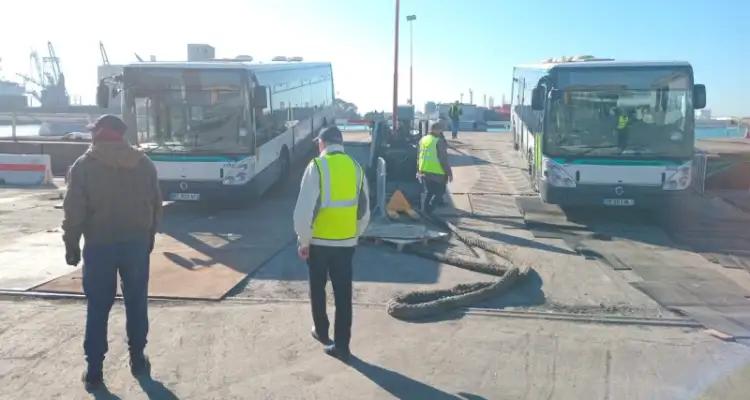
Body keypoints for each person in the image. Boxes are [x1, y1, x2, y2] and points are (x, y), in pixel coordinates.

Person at [62, 114, 162, 391]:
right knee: (136, 303)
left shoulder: (84, 166)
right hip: (136, 244)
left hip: (99, 246)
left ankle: (94, 371)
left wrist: (71, 244)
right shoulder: (143, 164)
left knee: (98, 308)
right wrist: (149, 238)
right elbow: (156, 204)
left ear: (98, 134)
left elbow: (74, 212)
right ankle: (138, 361)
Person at [293, 126, 370, 362]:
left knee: (318, 288)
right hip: (346, 245)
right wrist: (354, 235)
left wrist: (303, 240)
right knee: (343, 295)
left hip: (319, 243)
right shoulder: (357, 168)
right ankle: (342, 347)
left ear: (322, 143)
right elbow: (364, 211)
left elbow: (302, 212)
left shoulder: (316, 166)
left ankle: (322, 331)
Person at [418, 122, 453, 214]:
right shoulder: (438, 141)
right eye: (441, 129)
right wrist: (449, 173)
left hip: (425, 170)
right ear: (437, 130)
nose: (441, 131)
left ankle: (425, 209)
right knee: (440, 193)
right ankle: (430, 211)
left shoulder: (423, 139)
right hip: (437, 171)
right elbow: (443, 159)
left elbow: (419, 155)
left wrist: (419, 170)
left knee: (430, 191)